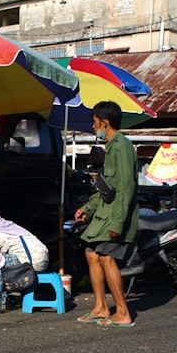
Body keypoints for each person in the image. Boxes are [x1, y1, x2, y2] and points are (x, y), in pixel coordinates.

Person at [74, 100, 139, 328]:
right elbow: (104, 188)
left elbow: (126, 188)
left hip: (115, 217)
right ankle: (101, 307)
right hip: (103, 214)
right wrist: (88, 209)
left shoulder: (122, 147)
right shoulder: (108, 148)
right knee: (91, 254)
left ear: (105, 122)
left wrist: (118, 224)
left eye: (94, 123)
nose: (93, 128)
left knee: (106, 257)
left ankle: (123, 312)